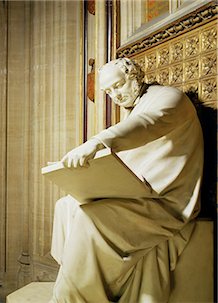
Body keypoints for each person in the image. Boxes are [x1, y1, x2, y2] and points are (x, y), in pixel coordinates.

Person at [51, 58, 203, 302]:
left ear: (135, 76)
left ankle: (73, 296)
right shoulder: (138, 106)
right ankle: (85, 284)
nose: (115, 96)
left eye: (118, 86)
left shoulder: (170, 98)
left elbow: (146, 125)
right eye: (108, 92)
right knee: (65, 206)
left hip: (166, 201)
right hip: (141, 193)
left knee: (90, 218)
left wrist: (96, 142)